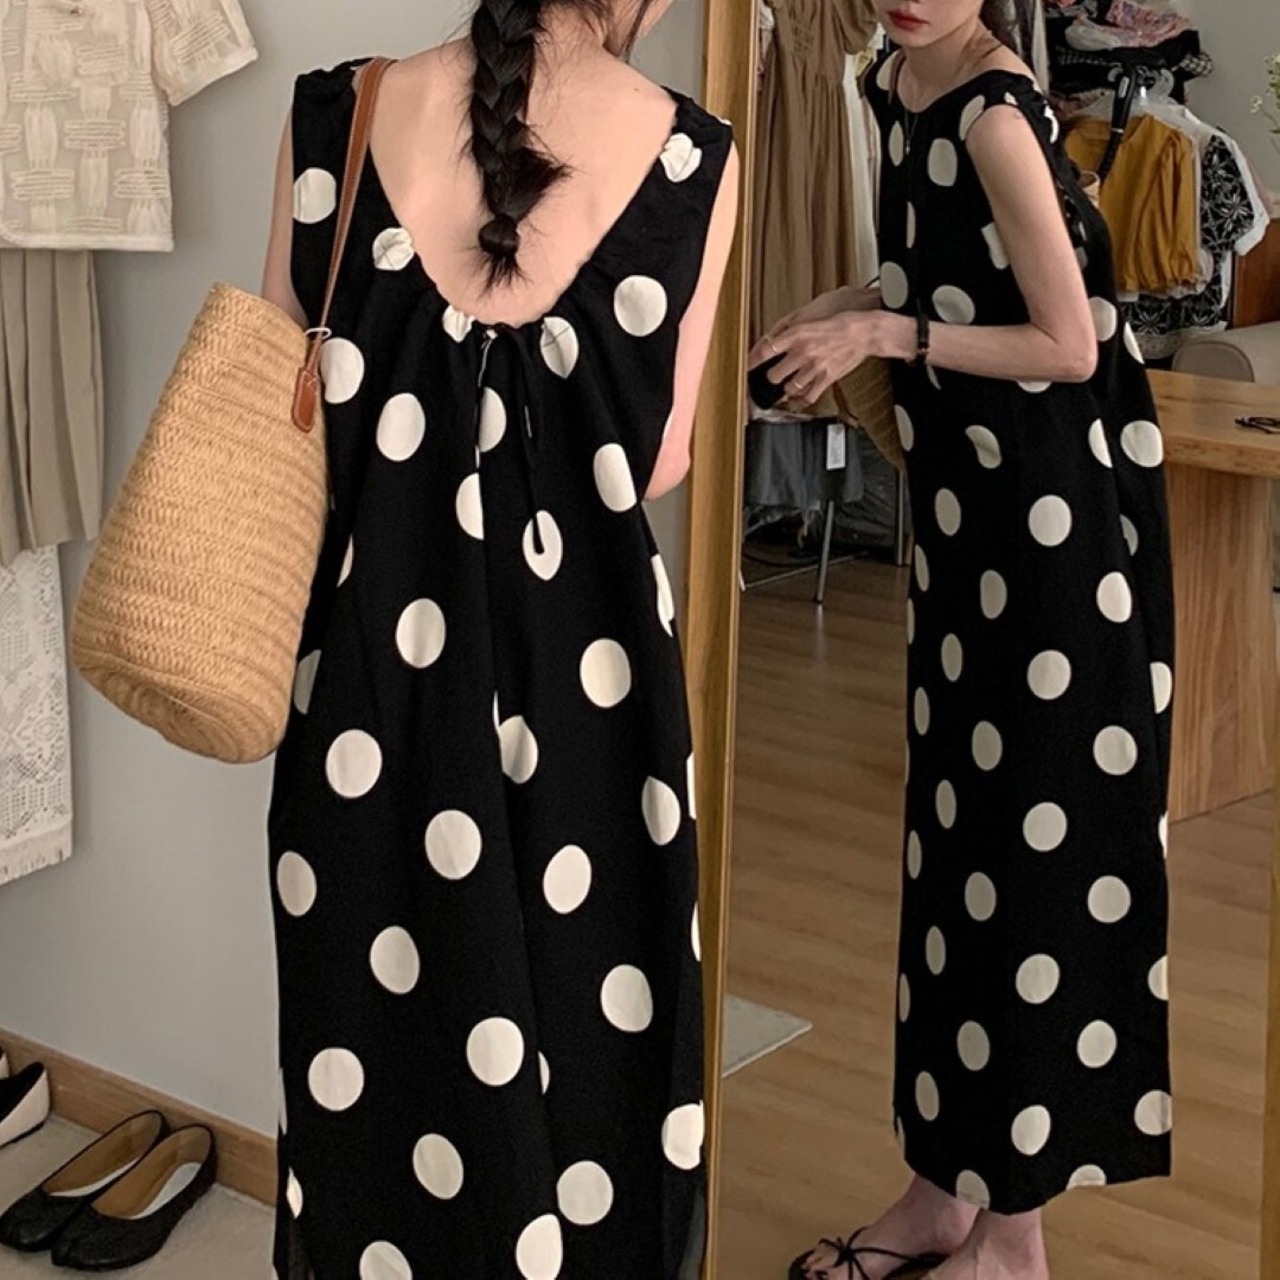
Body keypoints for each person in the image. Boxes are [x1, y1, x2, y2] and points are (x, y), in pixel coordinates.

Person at [258, 2, 739, 1275]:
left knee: (376, 1054)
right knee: (598, 1065)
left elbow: (281, 415)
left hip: (369, 690)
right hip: (595, 699)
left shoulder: (337, 116)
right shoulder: (690, 154)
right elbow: (660, 459)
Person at [749, 2, 1175, 1277]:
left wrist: (882, 334)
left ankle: (1012, 1237)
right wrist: (836, 309)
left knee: (1030, 870)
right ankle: (944, 1188)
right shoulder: (893, 80)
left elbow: (1066, 339)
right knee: (957, 863)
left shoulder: (991, 113)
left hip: (1055, 546)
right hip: (970, 529)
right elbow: (934, 267)